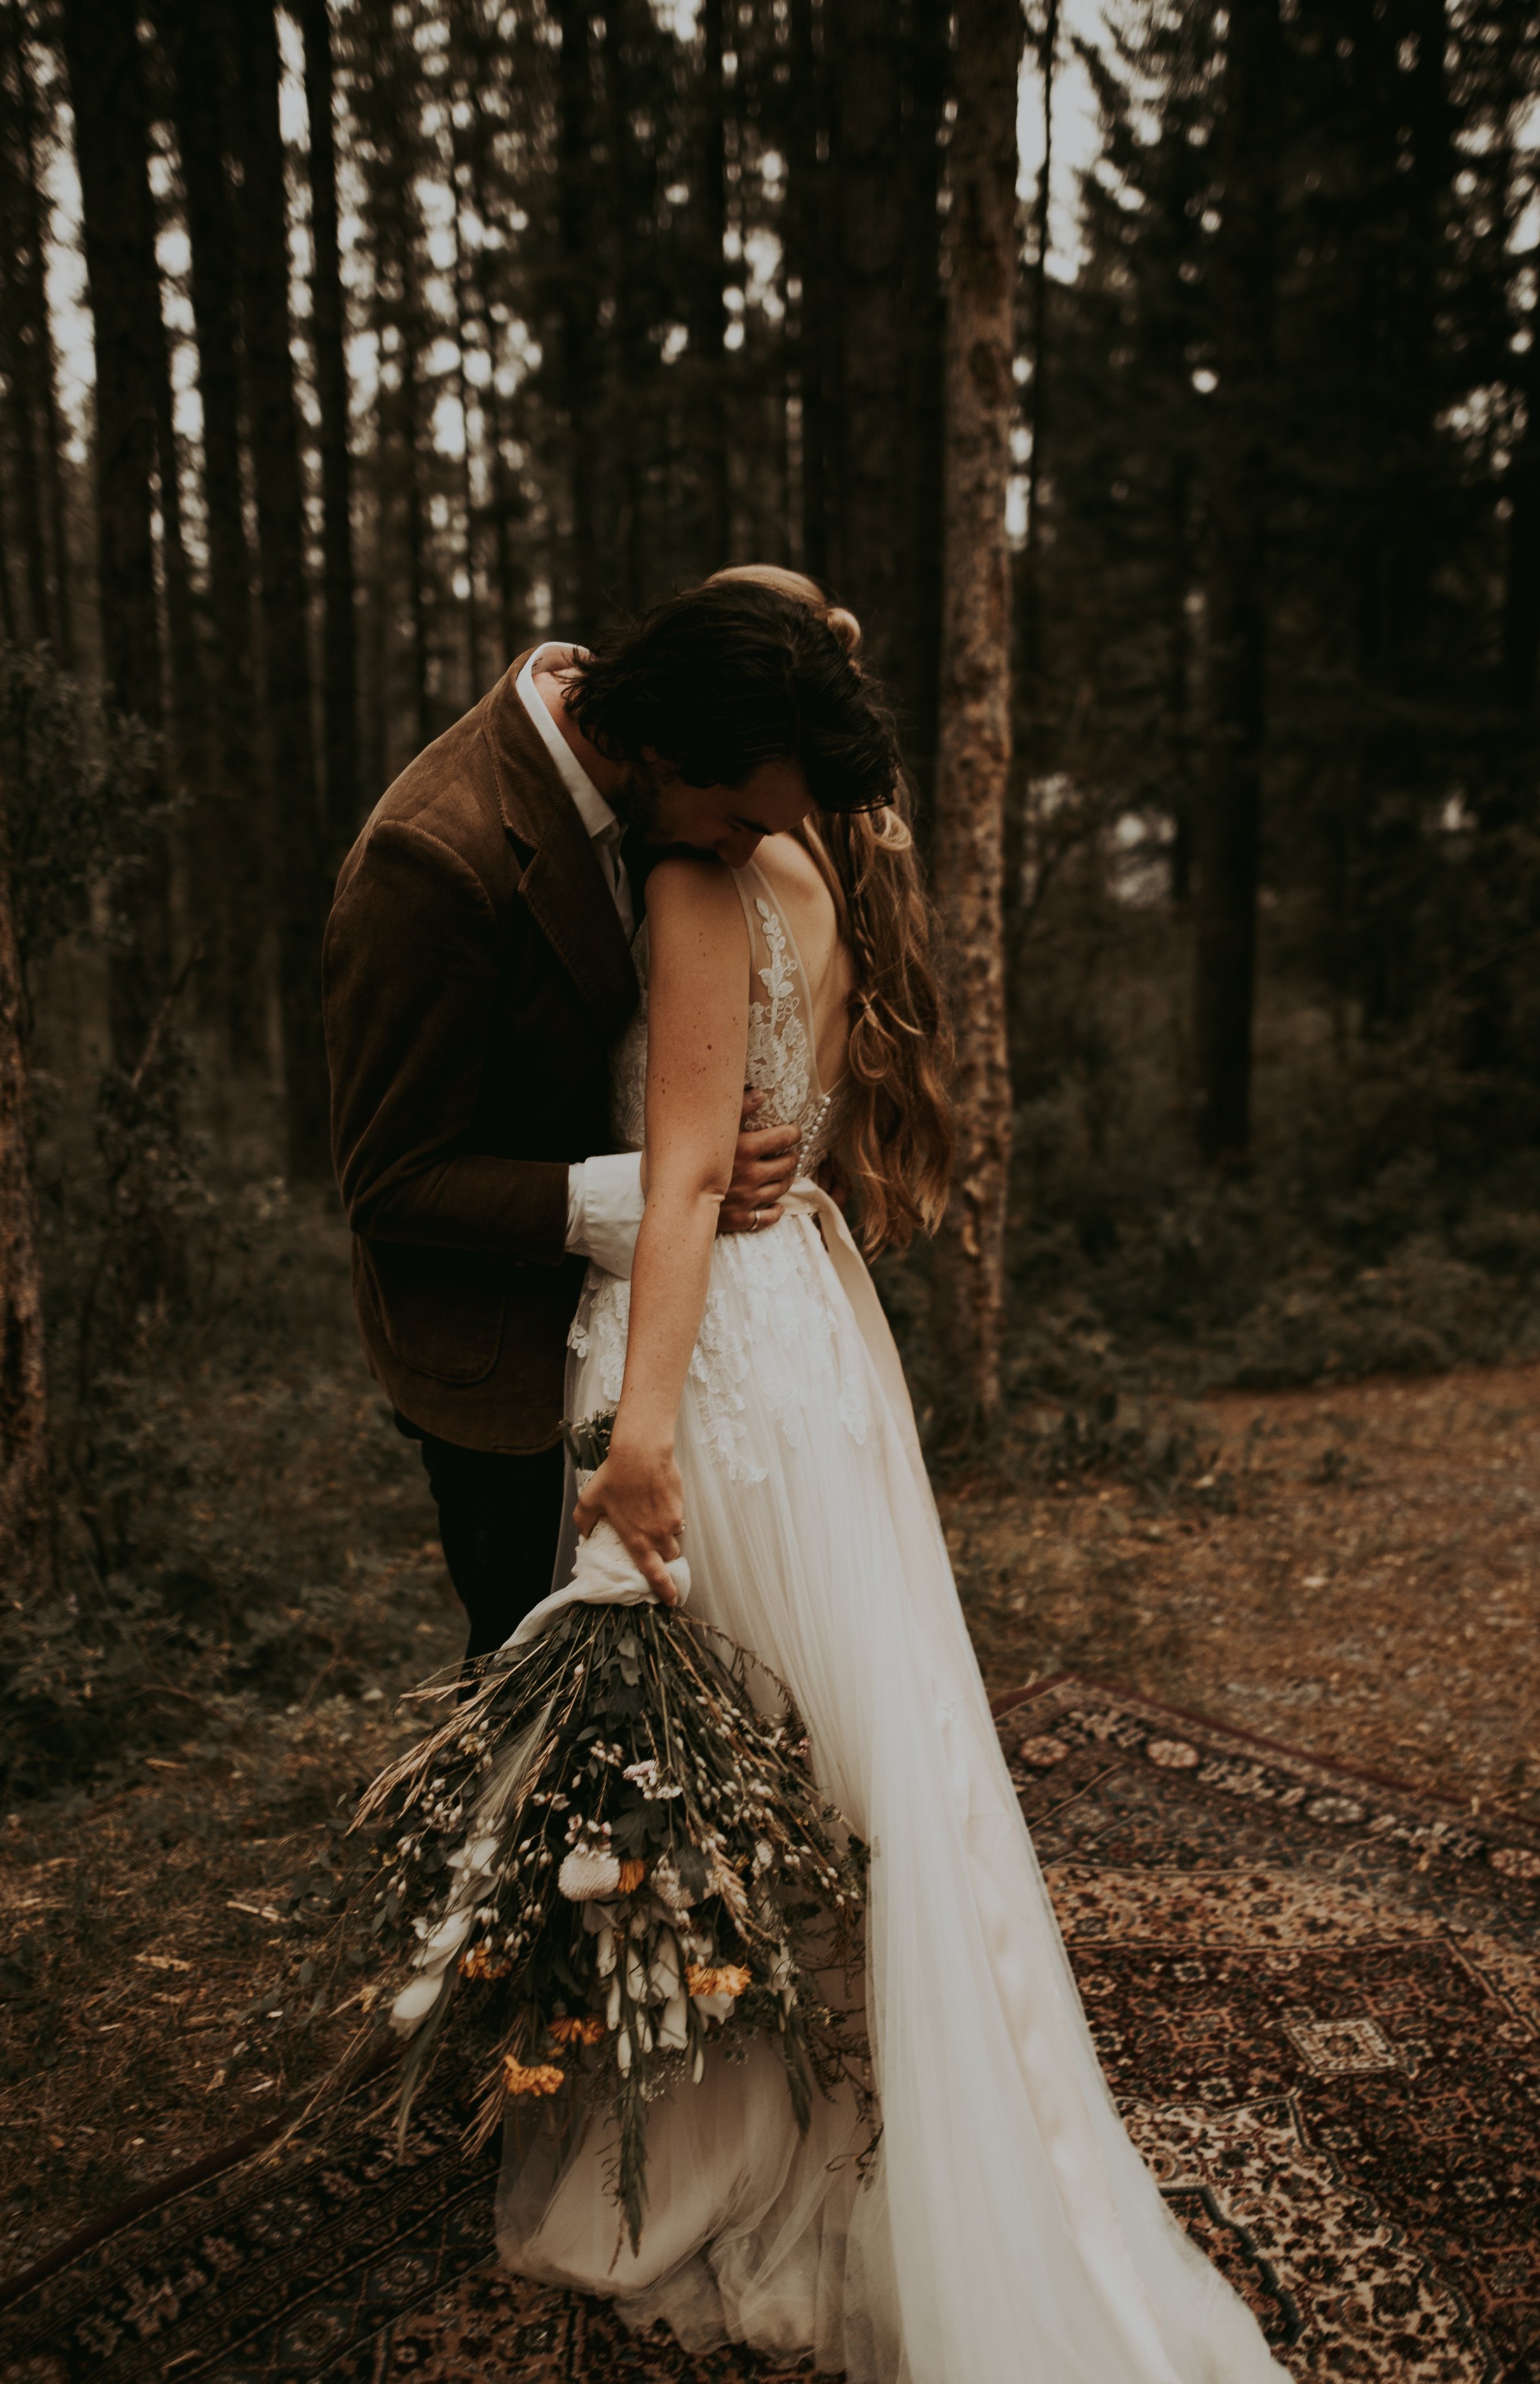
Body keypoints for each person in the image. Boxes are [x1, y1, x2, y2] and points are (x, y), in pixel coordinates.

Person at [493, 568, 1292, 2383]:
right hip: (815, 1344)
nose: (760, 810)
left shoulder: (704, 874)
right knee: (826, 1767)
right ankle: (863, 2112)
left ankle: (746, 2153)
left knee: (739, 1760)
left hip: (717, 1362)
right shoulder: (816, 864)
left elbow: (687, 1174)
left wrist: (638, 1442)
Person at [321, 582, 888, 1655]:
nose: (741, 856)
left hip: (664, 1328)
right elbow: (386, 1179)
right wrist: (640, 1187)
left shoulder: (668, 740)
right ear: (667, 753)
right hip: (500, 1355)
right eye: (739, 824)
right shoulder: (433, 855)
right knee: (535, 1672)